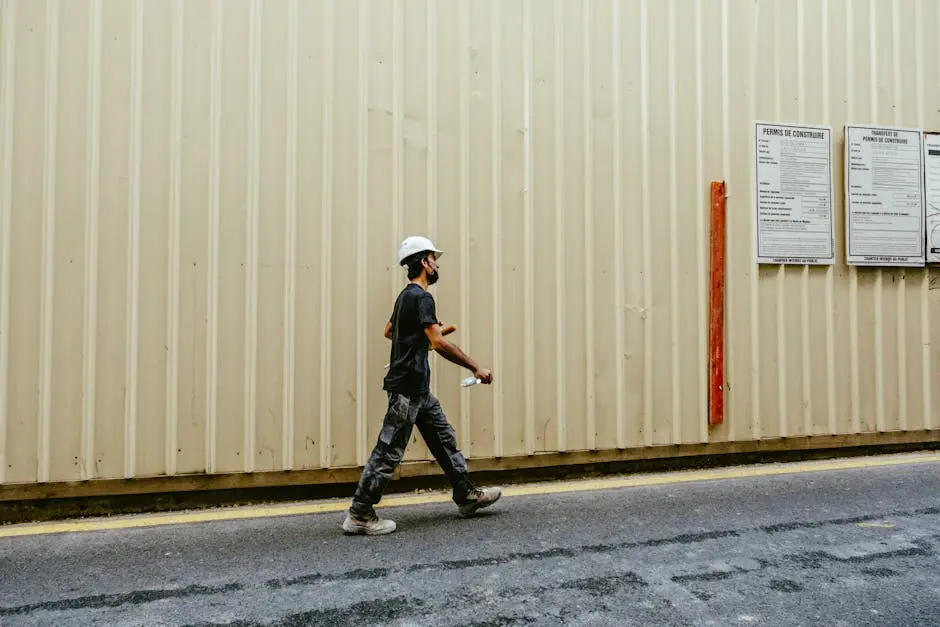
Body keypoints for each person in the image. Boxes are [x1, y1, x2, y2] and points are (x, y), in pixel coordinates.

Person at [342, 236, 502, 535]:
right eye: (433, 258)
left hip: (418, 388)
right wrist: (475, 367)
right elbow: (438, 343)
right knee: (389, 450)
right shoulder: (422, 297)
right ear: (424, 262)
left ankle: (465, 496)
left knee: (443, 438)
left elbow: (390, 331)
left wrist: (422, 339)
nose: (437, 263)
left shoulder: (405, 297)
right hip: (406, 388)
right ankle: (360, 514)